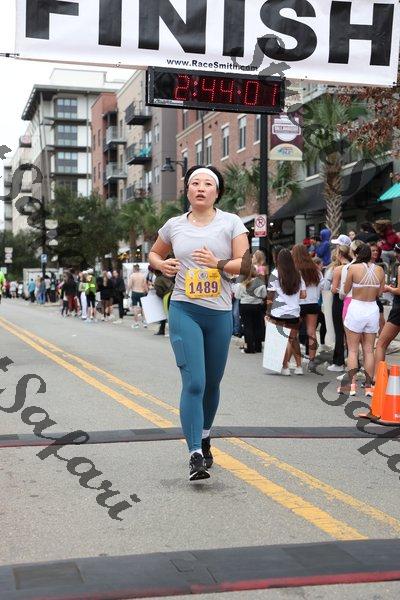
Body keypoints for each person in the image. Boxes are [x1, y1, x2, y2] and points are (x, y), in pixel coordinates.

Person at [148, 165, 250, 481]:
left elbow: (245, 265)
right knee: (194, 382)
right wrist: (162, 264)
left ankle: (204, 436)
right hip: (184, 309)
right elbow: (153, 254)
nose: (201, 188)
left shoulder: (231, 222)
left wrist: (217, 263)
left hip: (219, 313)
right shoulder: (174, 225)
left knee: (212, 383)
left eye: (208, 183)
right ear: (187, 190)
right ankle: (194, 454)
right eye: (195, 183)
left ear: (217, 192)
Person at [341, 243, 385, 397]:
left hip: (357, 307)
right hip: (372, 308)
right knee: (369, 350)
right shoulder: (380, 270)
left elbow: (345, 290)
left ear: (359, 254)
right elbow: (380, 293)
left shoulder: (353, 268)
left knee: (353, 350)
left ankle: (352, 385)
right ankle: (368, 387)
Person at [266, 248, 306, 375]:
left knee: (282, 340)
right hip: (294, 312)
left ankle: (285, 367)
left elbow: (270, 295)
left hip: (278, 312)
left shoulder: (275, 273)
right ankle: (298, 367)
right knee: (292, 339)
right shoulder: (298, 274)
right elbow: (304, 295)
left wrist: (268, 312)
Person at [292, 244, 324, 373]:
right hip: (313, 303)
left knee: (294, 333)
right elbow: (321, 286)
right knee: (312, 332)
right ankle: (311, 360)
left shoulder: (294, 270)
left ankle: (297, 362)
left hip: (298, 303)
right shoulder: (316, 270)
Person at [375, 243, 400, 374]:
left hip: (398, 311)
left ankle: (377, 377)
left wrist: (389, 288)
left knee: (381, 344)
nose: (395, 255)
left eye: (397, 252)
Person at [327, 244, 351, 372]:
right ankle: (353, 362)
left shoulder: (338, 269)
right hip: (352, 300)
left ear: (339, 254)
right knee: (351, 334)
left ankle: (338, 362)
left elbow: (333, 289)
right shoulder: (354, 267)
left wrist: (334, 287)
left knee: (339, 332)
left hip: (339, 301)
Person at [234, 265, 266, 354]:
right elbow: (264, 295)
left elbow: (237, 296)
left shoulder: (242, 283)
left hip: (245, 306)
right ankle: (258, 347)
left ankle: (250, 348)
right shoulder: (260, 282)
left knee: (247, 326)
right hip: (257, 306)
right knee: (257, 326)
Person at [127, 264, 148, 328]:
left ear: (134, 269)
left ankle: (136, 323)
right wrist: (147, 292)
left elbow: (129, 285)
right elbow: (145, 285)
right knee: (142, 308)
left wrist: (127, 292)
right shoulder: (142, 276)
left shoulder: (132, 276)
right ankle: (145, 323)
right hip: (142, 292)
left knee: (135, 308)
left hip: (135, 292)